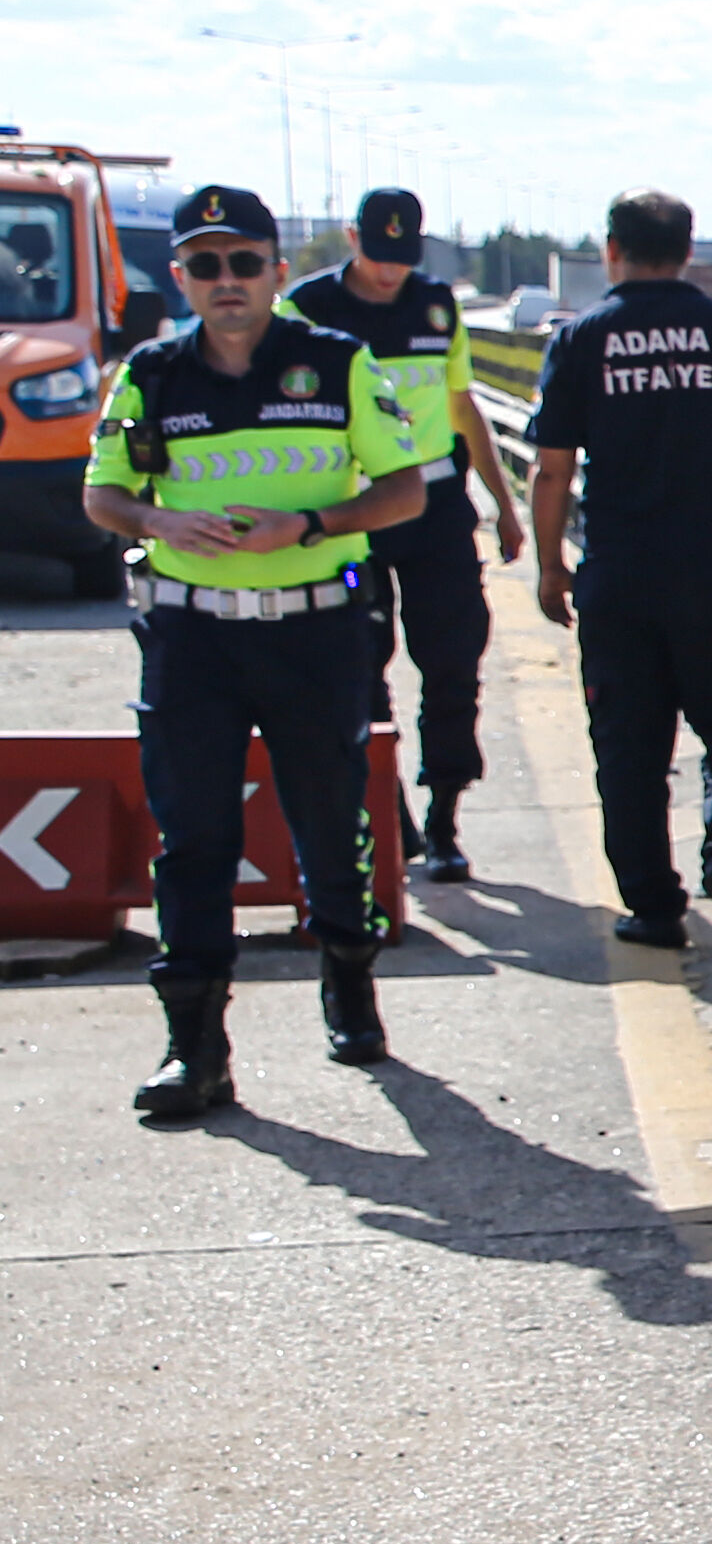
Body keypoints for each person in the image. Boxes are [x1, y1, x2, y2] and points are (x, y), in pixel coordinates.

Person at [78, 181, 433, 1119]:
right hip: (192, 637)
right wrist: (157, 520)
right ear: (181, 276)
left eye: (243, 262)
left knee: (329, 819)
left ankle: (349, 984)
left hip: (315, 631)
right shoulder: (151, 375)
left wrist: (307, 524)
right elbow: (102, 494)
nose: (225, 279)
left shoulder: (338, 363)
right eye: (205, 265)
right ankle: (194, 1048)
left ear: (277, 271)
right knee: (193, 837)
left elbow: (404, 491)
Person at [525, 189, 712, 951]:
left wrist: (550, 567)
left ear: (611, 250)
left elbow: (552, 471)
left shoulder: (580, 339)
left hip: (621, 583)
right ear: (687, 251)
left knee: (629, 750)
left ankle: (653, 907)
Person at [284, 186, 527, 883]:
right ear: (352, 239)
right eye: (377, 254)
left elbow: (461, 406)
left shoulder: (435, 305)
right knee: (357, 661)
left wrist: (502, 504)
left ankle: (445, 814)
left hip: (435, 508)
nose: (390, 271)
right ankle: (386, 810)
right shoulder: (306, 309)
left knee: (453, 658)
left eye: (402, 257)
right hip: (352, 512)